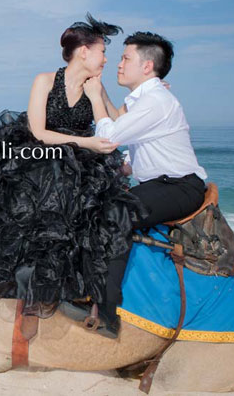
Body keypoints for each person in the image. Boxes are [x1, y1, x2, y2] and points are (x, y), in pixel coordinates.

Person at [0, 14, 144, 337]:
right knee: (38, 190)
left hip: (80, 161)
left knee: (93, 214)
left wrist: (148, 90)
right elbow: (39, 133)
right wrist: (85, 142)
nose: (106, 59)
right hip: (43, 153)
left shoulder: (95, 86)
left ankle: (76, 295)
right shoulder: (45, 80)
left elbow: (117, 119)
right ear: (83, 51)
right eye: (102, 51)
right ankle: (17, 287)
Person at [83, 31, 208, 333]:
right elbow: (129, 134)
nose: (119, 64)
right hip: (161, 183)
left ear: (148, 66)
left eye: (126, 58)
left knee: (115, 213)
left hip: (180, 187)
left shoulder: (156, 101)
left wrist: (93, 97)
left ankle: (108, 310)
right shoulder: (145, 100)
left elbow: (109, 136)